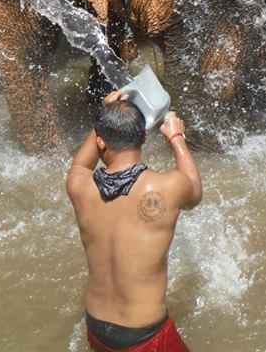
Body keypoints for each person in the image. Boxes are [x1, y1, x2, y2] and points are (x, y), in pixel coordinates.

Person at [67, 90, 202, 352]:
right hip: (145, 337)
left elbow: (81, 165)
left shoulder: (79, 185)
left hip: (96, 329)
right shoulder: (168, 186)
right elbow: (195, 191)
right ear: (144, 137)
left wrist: (105, 116)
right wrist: (176, 138)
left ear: (100, 142)